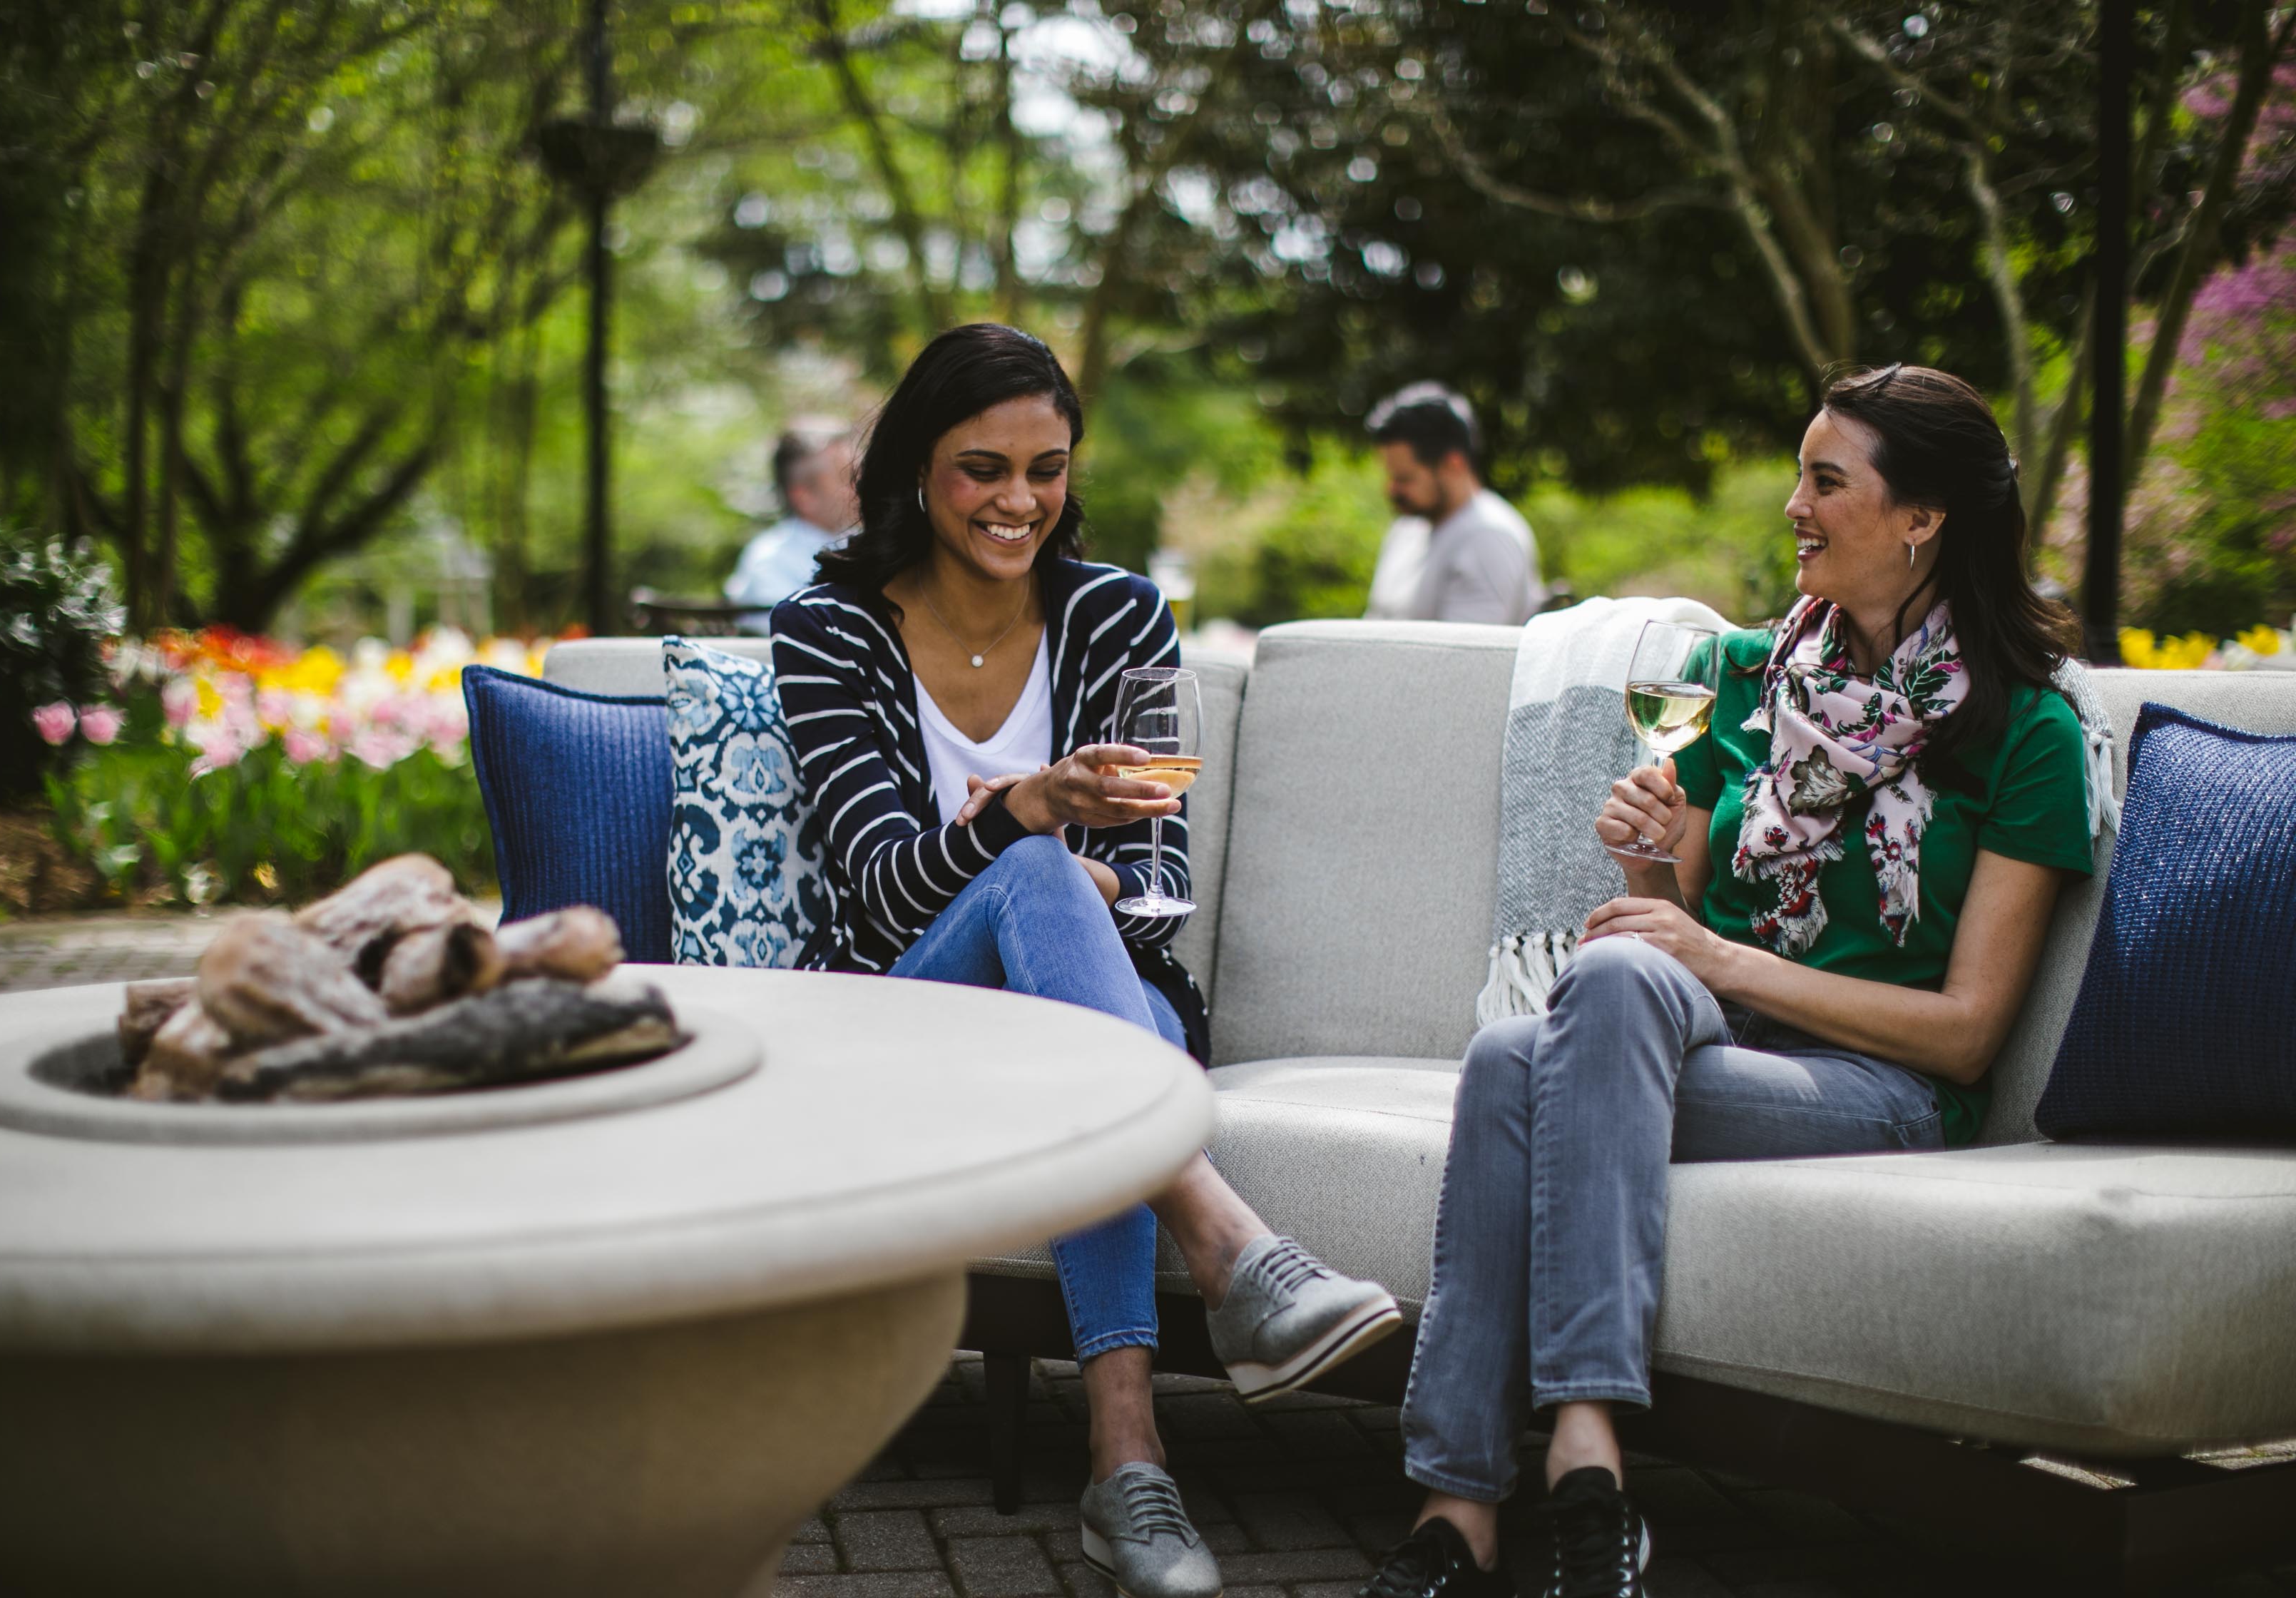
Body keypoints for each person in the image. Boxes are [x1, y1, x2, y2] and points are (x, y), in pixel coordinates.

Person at [1361, 365, 2095, 1598]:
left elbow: (1967, 1036)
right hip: (1710, 1035)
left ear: (1923, 518)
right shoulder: (1748, 674)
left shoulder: (2027, 730)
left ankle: (1461, 1506)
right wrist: (1648, 858)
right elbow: (1673, 926)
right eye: (1798, 476)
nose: (1794, 507)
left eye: (1827, 482)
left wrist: (1715, 955)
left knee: (1506, 1067)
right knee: (1604, 983)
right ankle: (1580, 1470)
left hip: (1882, 1087)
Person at [772, 324, 1402, 1598]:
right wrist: (1027, 821)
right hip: (903, 1002)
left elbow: (1158, 884)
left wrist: (1053, 863)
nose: (1019, 502)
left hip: (1090, 1000)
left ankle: (1129, 1463)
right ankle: (1231, 1249)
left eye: (1045, 469)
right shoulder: (828, 633)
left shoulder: (1116, 615)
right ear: (914, 471)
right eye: (981, 470)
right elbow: (886, 893)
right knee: (1044, 877)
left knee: (1097, 990)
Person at [1364, 383, 1541, 626]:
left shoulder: (1488, 538)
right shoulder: (1408, 528)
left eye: (1404, 479)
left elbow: (1462, 659)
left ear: (1453, 465)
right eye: (1391, 477)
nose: (1391, 489)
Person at [725, 424, 860, 628]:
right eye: (847, 477)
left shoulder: (870, 543)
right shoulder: (771, 561)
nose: (860, 486)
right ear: (805, 496)